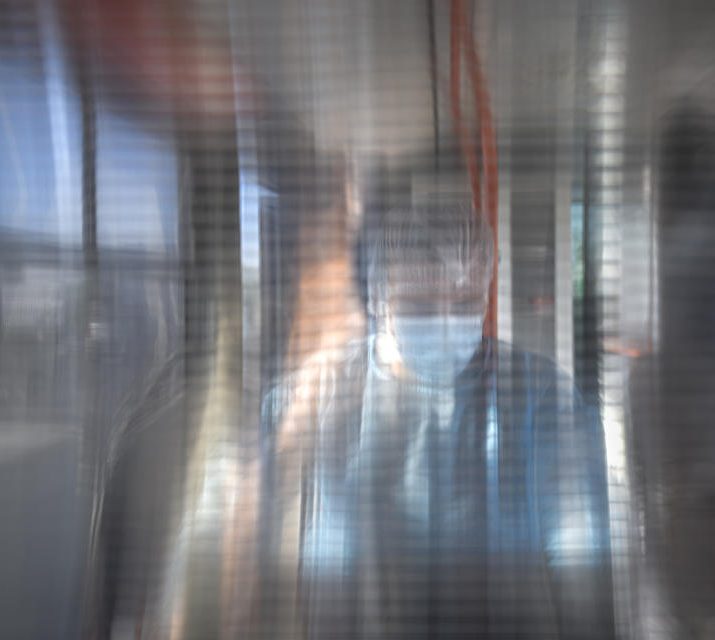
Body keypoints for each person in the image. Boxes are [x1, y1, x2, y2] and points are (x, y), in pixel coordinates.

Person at [261, 204, 614, 639]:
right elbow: (275, 512)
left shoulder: (535, 392)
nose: (445, 323)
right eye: (420, 304)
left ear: (485, 294)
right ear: (378, 298)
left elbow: (578, 546)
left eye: (464, 302)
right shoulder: (328, 389)